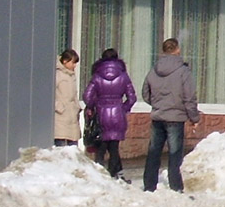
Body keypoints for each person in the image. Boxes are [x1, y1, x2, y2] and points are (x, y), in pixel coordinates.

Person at [142, 38, 201, 193]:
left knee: (154, 151)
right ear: (177, 49)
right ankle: (176, 186)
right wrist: (194, 117)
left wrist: (157, 104)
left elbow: (145, 92)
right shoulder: (183, 71)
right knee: (175, 153)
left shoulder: (154, 69)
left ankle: (149, 185)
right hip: (175, 117)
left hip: (158, 115)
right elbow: (189, 96)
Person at [82, 48, 136, 181]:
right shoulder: (123, 76)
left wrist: (95, 104)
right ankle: (114, 175)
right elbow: (132, 97)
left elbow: (87, 96)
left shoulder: (97, 76)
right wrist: (124, 108)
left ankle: (98, 173)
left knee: (100, 146)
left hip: (101, 113)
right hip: (118, 113)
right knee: (114, 147)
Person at [54, 48, 80, 147]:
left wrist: (77, 107)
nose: (75, 66)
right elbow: (49, 94)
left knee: (73, 146)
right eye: (73, 63)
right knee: (60, 146)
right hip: (60, 115)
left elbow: (74, 94)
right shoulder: (57, 74)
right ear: (65, 61)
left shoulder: (71, 75)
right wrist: (59, 107)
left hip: (72, 115)